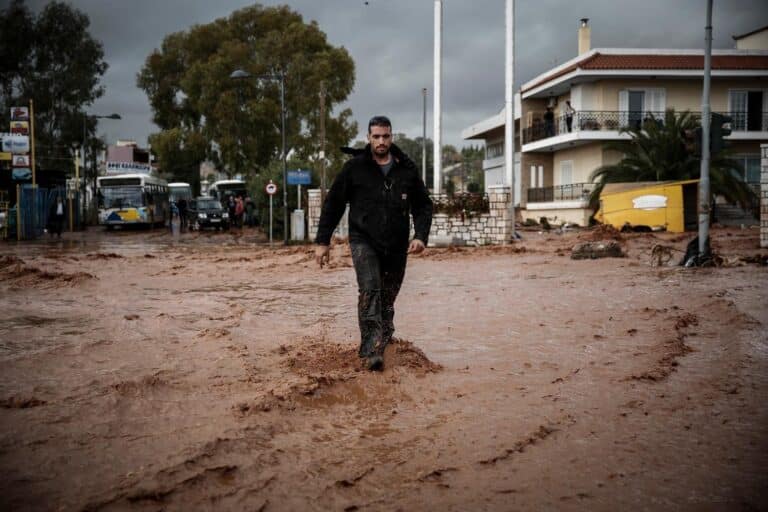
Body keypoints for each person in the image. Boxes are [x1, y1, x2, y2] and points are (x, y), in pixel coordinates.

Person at [315, 116, 432, 371]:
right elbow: (333, 204)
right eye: (376, 136)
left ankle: (384, 337)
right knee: (370, 290)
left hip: (397, 244)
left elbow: (423, 205)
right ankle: (371, 351)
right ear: (368, 138)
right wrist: (323, 241)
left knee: (387, 298)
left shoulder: (407, 169)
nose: (381, 141)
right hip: (363, 240)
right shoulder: (354, 168)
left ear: (392, 137)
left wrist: (421, 236)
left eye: (386, 136)